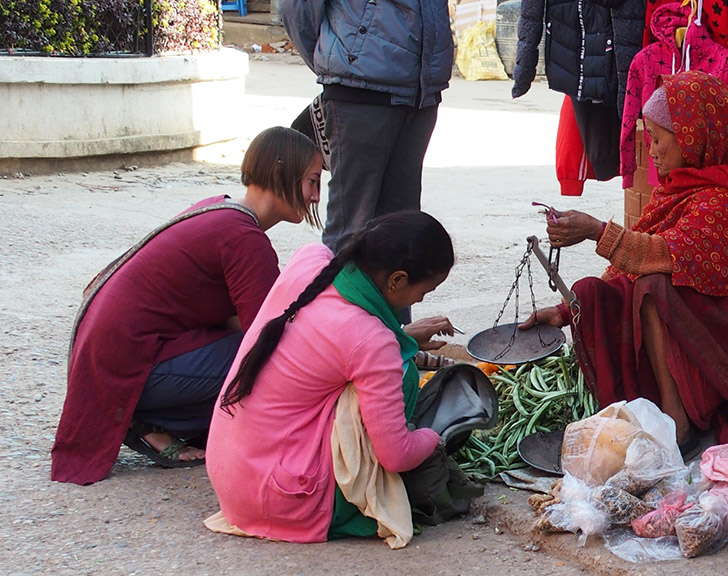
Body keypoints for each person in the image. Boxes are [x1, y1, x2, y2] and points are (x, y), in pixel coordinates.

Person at [521, 71, 728, 456]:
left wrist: (596, 230)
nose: (654, 152)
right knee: (593, 292)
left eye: (659, 140)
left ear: (695, 137)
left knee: (652, 285)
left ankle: (678, 426)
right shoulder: (677, 188)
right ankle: (635, 412)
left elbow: (662, 255)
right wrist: (566, 310)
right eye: (650, 140)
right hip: (689, 315)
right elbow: (628, 265)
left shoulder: (720, 198)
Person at [51, 127, 324, 485]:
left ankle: (148, 413)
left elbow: (238, 317)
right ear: (278, 173)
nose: (317, 196)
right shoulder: (243, 237)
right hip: (122, 369)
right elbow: (268, 332)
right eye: (312, 182)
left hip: (110, 358)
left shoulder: (218, 207)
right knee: (276, 361)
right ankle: (143, 416)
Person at [205, 211, 456, 544]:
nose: (422, 299)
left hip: (233, 476)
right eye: (424, 291)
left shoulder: (312, 261)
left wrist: (400, 333)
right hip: (283, 499)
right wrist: (433, 437)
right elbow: (396, 455)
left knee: (391, 355)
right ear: (396, 280)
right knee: (405, 368)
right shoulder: (371, 341)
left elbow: (335, 338)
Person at [279, 0, 453, 254]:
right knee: (351, 225)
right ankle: (335, 293)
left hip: (421, 92)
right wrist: (342, 58)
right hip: (360, 89)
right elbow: (296, 8)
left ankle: (379, 295)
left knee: (401, 226)